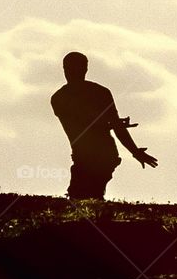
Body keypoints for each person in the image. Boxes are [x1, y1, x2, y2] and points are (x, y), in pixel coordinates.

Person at [51, 52, 157, 199]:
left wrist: (134, 150)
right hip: (89, 156)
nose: (71, 72)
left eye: (75, 68)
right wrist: (112, 126)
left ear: (85, 69)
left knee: (82, 195)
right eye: (69, 68)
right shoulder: (62, 98)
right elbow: (82, 123)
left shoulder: (63, 97)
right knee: (85, 195)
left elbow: (98, 125)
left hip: (99, 156)